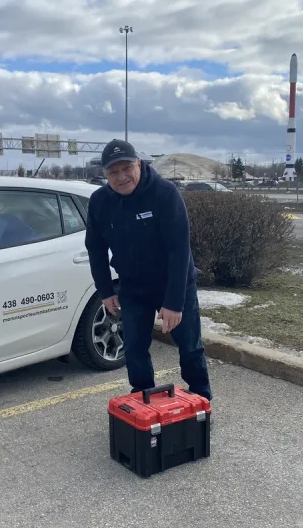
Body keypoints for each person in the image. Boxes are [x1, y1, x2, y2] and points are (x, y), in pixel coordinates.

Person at [84, 139, 212, 403]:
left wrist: (174, 302)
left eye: (127, 168)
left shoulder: (165, 194)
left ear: (139, 164)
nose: (121, 177)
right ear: (105, 174)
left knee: (189, 347)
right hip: (133, 286)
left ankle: (201, 398)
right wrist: (105, 290)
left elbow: (179, 250)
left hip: (174, 283)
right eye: (113, 172)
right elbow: (95, 248)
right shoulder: (99, 202)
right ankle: (144, 398)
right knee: (134, 349)